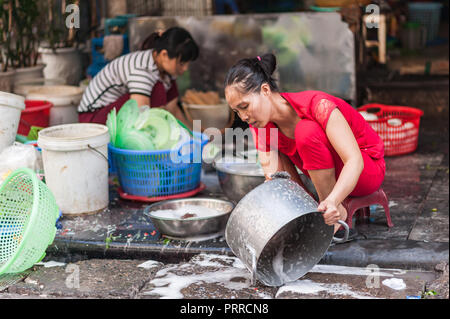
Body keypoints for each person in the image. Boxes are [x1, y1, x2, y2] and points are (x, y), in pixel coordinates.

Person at [224, 53, 385, 238]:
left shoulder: (318, 105)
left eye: (244, 106)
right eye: (237, 111)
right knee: (278, 172)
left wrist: (333, 200)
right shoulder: (260, 126)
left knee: (306, 131)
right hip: (332, 179)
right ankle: (318, 210)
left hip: (366, 171)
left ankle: (336, 211)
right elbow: (274, 180)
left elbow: (354, 161)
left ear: (266, 90)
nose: (243, 117)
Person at [78, 27, 199, 127]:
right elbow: (142, 114)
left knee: (165, 85)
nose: (185, 68)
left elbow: (173, 110)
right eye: (181, 63)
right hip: (92, 120)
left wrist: (192, 135)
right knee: (157, 89)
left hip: (109, 112)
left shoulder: (163, 69)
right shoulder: (142, 70)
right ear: (164, 54)